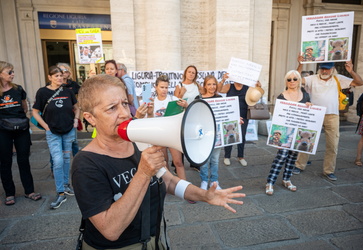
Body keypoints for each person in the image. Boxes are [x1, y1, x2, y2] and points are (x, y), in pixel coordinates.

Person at [72, 74, 245, 249]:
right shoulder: (86, 164)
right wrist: (143, 173)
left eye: (124, 104)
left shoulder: (138, 140)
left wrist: (204, 195)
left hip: (152, 240)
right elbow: (110, 230)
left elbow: (168, 181)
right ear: (90, 117)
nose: (125, 113)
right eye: (112, 108)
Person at [294, 58, 363, 181]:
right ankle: (299, 165)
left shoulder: (338, 78)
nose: (325, 71)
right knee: (305, 141)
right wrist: (300, 65)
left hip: (332, 115)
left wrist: (351, 71)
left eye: (327, 68)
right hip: (313, 114)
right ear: (319, 68)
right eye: (323, 68)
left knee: (333, 144)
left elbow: (360, 83)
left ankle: (328, 170)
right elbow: (295, 80)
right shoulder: (312, 78)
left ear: (332, 69)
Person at [32, 66, 79, 209]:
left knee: (65, 159)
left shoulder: (67, 91)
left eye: (60, 75)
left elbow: (77, 107)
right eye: (56, 76)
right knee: (57, 161)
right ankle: (60, 193)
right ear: (50, 77)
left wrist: (76, 119)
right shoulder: (43, 92)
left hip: (68, 130)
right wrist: (45, 126)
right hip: (52, 132)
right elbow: (34, 112)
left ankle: (66, 185)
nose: (59, 78)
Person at [0, 61, 41, 206]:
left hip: (21, 129)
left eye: (12, 71)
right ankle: (9, 193)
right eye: (9, 72)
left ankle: (29, 191)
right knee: (5, 162)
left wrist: (17, 120)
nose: (13, 74)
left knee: (24, 160)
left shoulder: (18, 89)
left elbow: (24, 106)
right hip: (3, 131)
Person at [266, 70, 311, 195]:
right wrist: (276, 136)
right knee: (281, 156)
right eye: (289, 79)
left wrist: (309, 106)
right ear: (286, 81)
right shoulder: (281, 96)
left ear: (299, 80)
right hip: (285, 132)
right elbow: (278, 117)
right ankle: (270, 182)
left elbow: (309, 113)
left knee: (292, 157)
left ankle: (286, 179)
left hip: (299, 132)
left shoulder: (305, 95)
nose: (292, 81)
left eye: (295, 79)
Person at [217, 73, 261, 167]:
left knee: (242, 136)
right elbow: (219, 89)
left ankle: (241, 156)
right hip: (231, 114)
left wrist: (258, 87)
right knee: (230, 134)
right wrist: (223, 80)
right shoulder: (229, 86)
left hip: (244, 114)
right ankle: (227, 156)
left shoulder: (248, 87)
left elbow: (257, 95)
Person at [152, 75, 188, 181]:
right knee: (164, 163)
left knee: (178, 162)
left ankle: (185, 188)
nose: (164, 90)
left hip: (172, 134)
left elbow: (185, 114)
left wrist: (186, 105)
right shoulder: (152, 102)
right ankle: (168, 186)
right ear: (156, 87)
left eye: (166, 87)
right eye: (162, 87)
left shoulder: (174, 99)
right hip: (159, 136)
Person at [195, 75, 223, 190]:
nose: (212, 87)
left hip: (217, 132)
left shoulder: (220, 98)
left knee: (215, 159)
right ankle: (204, 181)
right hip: (204, 132)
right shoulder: (199, 98)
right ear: (205, 86)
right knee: (204, 159)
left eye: (214, 84)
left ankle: (214, 181)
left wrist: (237, 120)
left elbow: (226, 114)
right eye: (209, 84)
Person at [174, 65, 203, 172]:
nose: (191, 74)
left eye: (193, 73)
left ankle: (194, 163)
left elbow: (205, 94)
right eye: (189, 72)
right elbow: (175, 101)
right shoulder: (179, 85)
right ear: (185, 73)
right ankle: (177, 164)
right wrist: (181, 92)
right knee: (181, 139)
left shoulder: (197, 85)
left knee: (194, 138)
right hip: (182, 116)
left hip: (194, 115)